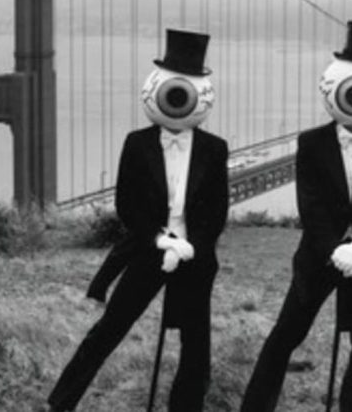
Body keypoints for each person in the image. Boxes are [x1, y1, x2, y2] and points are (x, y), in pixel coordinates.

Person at [48, 29, 230, 412]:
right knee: (110, 328)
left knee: (196, 341)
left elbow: (217, 210)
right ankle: (60, 403)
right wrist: (161, 241)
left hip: (194, 257)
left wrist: (188, 245)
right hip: (149, 252)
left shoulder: (215, 150)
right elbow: (127, 204)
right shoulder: (137, 142)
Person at [240, 20, 352, 412]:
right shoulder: (311, 142)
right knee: (286, 334)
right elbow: (309, 205)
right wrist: (334, 248)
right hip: (316, 256)